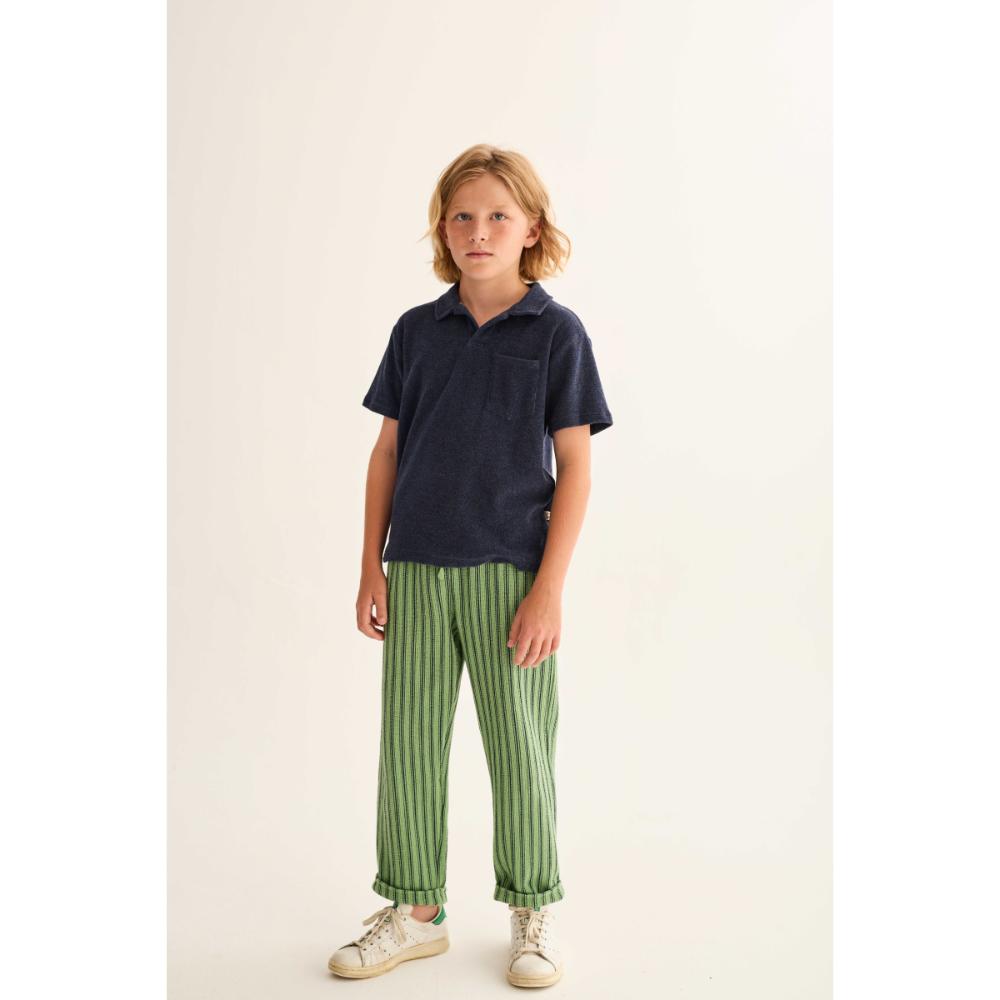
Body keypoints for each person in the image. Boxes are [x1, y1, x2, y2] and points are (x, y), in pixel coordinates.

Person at [327, 144, 614, 988]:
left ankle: (532, 911)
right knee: (409, 746)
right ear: (442, 229)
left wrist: (549, 590)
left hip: (509, 576)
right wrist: (372, 565)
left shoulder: (556, 333)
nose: (478, 231)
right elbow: (387, 452)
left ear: (532, 229)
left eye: (497, 215)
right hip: (417, 568)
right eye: (461, 216)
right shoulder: (416, 331)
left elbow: (576, 467)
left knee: (521, 747)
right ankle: (416, 914)